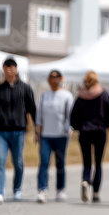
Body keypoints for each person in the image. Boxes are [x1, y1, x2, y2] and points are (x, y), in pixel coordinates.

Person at [0, 57, 37, 203]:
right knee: (0, 160)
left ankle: (17, 189)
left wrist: (37, 128)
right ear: (3, 69)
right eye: (6, 66)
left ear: (16, 69)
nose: (9, 69)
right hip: (1, 131)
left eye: (11, 66)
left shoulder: (25, 88)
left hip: (19, 131)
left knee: (18, 161)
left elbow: (32, 109)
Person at [70, 70, 109, 203]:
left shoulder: (81, 96)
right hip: (100, 131)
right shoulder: (104, 94)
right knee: (98, 162)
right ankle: (95, 193)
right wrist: (105, 125)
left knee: (87, 162)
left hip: (85, 131)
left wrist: (79, 127)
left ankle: (85, 180)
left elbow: (73, 117)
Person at [35, 69, 74, 203]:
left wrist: (68, 128)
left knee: (60, 163)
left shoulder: (66, 96)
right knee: (44, 162)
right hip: (46, 135)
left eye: (56, 78)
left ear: (60, 79)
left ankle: (60, 189)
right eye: (51, 78)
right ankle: (42, 189)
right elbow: (39, 116)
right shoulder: (44, 96)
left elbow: (70, 115)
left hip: (61, 135)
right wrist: (37, 131)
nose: (53, 81)